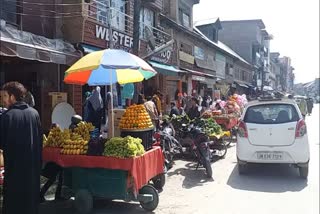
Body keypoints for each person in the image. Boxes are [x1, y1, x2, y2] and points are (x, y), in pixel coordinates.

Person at [0, 81, 42, 214]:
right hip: (32, 171)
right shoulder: (34, 114)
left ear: (13, 97)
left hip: (14, 171)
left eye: (4, 96)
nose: (3, 101)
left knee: (14, 205)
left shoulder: (7, 117)